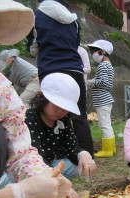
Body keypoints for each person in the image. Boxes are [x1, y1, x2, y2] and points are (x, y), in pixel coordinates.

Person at [0, 0, 72, 198]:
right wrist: (15, 197)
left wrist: (44, 177)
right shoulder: (33, 117)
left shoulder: (1, 88)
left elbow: (19, 153)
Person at [31, 0, 94, 158]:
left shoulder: (37, 16)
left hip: (51, 70)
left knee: (47, 112)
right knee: (79, 115)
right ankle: (87, 155)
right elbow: (76, 45)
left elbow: (32, 48)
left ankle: (46, 155)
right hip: (75, 70)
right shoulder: (74, 22)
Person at [26, 73, 97, 180]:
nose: (61, 111)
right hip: (30, 167)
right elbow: (35, 156)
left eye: (66, 107)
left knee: (75, 166)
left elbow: (71, 147)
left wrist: (82, 154)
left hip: (50, 164)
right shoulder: (30, 118)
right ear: (42, 97)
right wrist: (52, 174)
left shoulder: (63, 119)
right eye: (57, 105)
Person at [87, 40, 115, 158]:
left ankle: (107, 150)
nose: (93, 54)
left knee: (104, 125)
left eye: (94, 51)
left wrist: (90, 82)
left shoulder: (103, 66)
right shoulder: (108, 65)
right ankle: (112, 148)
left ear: (101, 52)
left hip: (102, 100)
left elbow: (104, 82)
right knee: (107, 124)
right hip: (105, 99)